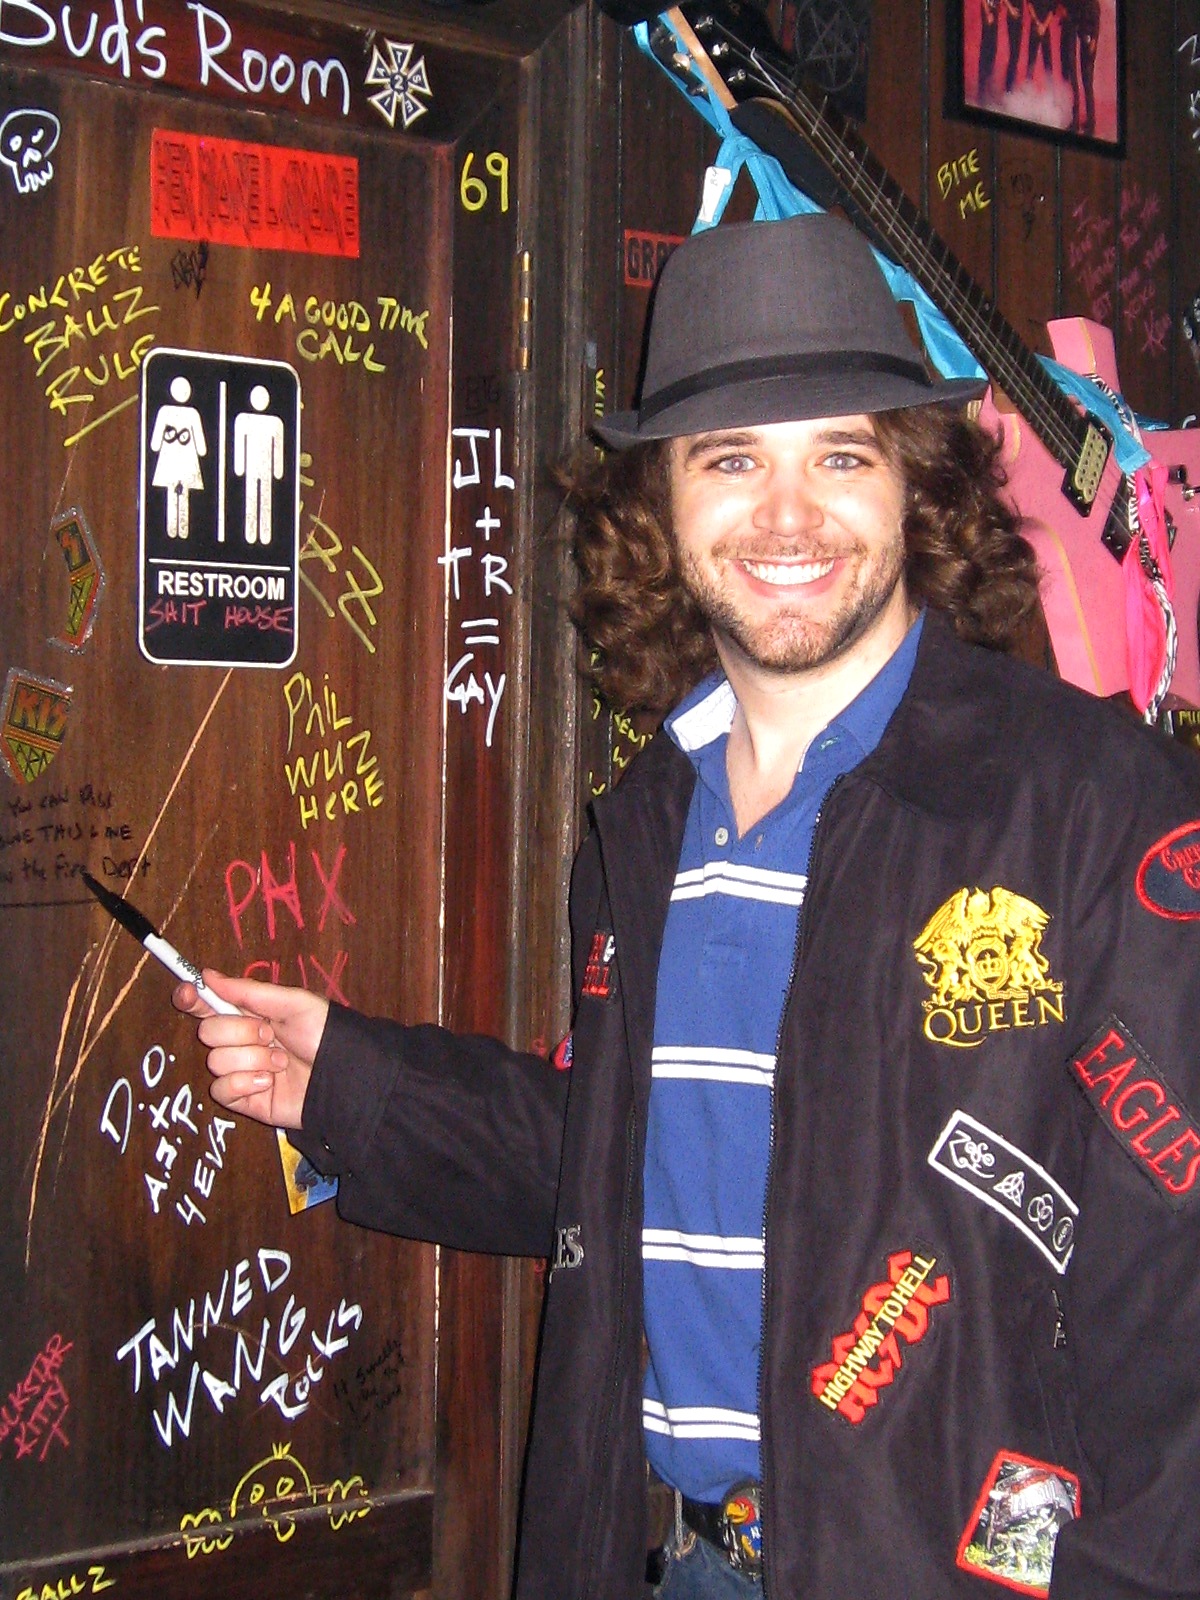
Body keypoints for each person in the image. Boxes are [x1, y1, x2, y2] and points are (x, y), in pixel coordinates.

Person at [175, 213, 1200, 1600]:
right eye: (732, 460)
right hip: (680, 1562)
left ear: (916, 481)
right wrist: (350, 1085)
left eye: (840, 455)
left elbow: (1175, 1276)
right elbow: (639, 1158)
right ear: (660, 501)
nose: (787, 516)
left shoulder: (1090, 802)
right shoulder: (652, 816)